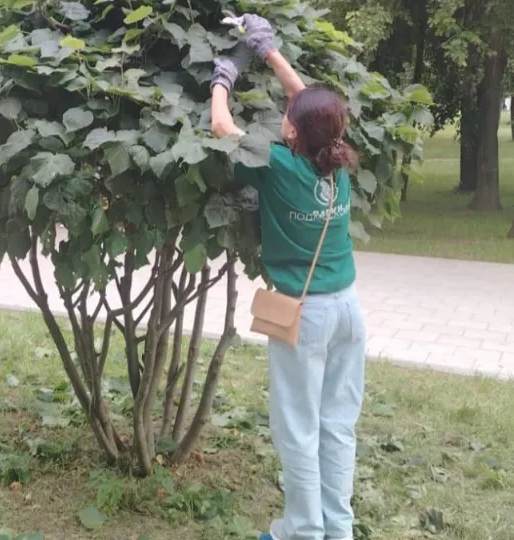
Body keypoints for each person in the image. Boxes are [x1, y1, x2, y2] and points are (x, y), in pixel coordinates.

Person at [210, 14, 367, 540]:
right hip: (348, 309)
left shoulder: (279, 166)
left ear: (293, 130)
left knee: (297, 427)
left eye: (288, 115)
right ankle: (336, 530)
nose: (284, 113)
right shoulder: (335, 159)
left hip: (308, 316)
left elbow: (221, 128)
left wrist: (222, 80)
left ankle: (302, 531)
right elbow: (316, 112)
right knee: (337, 426)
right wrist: (271, 52)